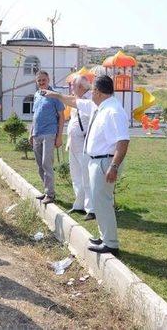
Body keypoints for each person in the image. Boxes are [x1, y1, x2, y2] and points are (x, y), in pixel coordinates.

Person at [41, 75, 129, 256]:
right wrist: (56, 95)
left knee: (103, 202)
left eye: (92, 91)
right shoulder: (100, 106)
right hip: (96, 160)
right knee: (98, 201)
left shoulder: (113, 111)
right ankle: (105, 237)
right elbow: (75, 101)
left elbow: (123, 141)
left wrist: (113, 167)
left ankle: (111, 243)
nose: (90, 95)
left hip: (105, 160)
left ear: (97, 92)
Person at [29, 70, 65, 205]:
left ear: (48, 80)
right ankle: (46, 191)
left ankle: (50, 194)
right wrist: (31, 133)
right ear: (36, 82)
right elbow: (35, 116)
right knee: (39, 165)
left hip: (49, 133)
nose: (41, 82)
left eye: (43, 80)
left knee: (46, 163)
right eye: (39, 81)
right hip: (37, 134)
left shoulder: (54, 95)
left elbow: (62, 116)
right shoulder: (37, 95)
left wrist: (59, 136)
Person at [66, 76, 95, 221]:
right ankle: (79, 205)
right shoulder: (76, 101)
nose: (71, 89)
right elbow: (74, 121)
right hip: (74, 143)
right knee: (76, 175)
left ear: (82, 87)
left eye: (73, 86)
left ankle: (91, 209)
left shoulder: (89, 100)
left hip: (84, 144)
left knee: (87, 177)